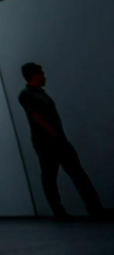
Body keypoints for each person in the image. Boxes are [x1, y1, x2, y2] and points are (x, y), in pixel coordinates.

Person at [18, 63, 103, 218]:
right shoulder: (27, 94)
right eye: (41, 74)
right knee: (55, 176)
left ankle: (93, 209)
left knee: (71, 174)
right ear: (34, 75)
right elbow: (35, 115)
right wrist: (53, 133)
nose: (44, 76)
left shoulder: (37, 94)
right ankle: (66, 210)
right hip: (47, 142)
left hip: (54, 139)